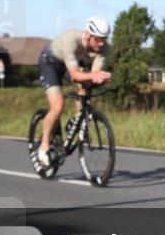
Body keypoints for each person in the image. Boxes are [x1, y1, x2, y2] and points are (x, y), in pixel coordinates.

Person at [33, 16, 113, 168]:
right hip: (50, 63)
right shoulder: (71, 40)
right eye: (98, 40)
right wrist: (92, 75)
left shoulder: (104, 47)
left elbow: (94, 73)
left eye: (104, 39)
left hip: (67, 65)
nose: (101, 43)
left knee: (86, 85)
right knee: (58, 106)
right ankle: (43, 146)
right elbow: (75, 74)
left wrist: (101, 77)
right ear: (88, 35)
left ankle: (78, 120)